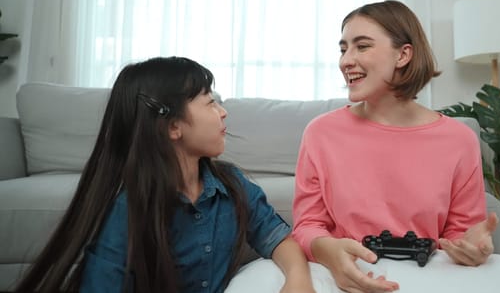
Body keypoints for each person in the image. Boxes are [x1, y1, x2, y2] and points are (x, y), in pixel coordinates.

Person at [15, 57, 315, 293]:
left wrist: (298, 281)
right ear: (173, 127)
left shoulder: (232, 184)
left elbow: (278, 239)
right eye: (210, 102)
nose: (223, 112)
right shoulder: (126, 211)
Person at [291, 0, 499, 293]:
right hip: (343, 275)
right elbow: (308, 225)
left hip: (427, 277)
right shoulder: (320, 133)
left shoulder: (458, 139)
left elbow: (458, 235)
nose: (345, 61)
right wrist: (328, 251)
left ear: (403, 55)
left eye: (361, 46)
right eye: (343, 49)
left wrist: (470, 246)